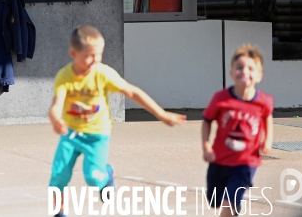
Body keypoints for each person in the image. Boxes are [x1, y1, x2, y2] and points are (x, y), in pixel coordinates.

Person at [48, 25, 186, 217]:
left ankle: (107, 175)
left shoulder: (102, 73)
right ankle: (58, 212)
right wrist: (55, 118)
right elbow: (56, 104)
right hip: (70, 133)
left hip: (97, 135)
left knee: (93, 177)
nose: (95, 60)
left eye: (99, 55)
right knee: (58, 176)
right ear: (73, 53)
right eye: (89, 56)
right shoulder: (64, 76)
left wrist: (162, 114)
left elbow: (132, 92)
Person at [202, 44, 273, 216]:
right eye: (239, 67)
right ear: (232, 73)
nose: (244, 72)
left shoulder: (264, 101)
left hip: (246, 162)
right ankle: (233, 206)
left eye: (250, 68)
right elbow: (207, 120)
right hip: (220, 160)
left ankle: (232, 205)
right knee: (215, 200)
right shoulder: (221, 99)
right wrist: (206, 146)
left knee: (229, 201)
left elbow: (267, 117)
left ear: (259, 76)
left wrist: (267, 140)